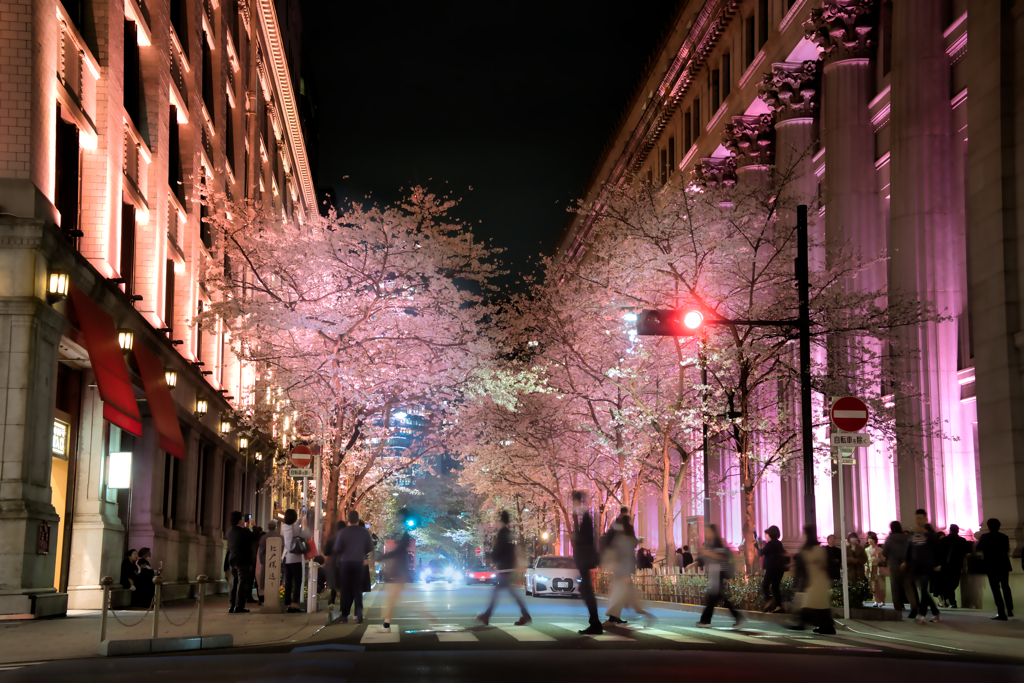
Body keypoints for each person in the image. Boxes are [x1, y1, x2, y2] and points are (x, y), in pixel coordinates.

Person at [476, 510, 531, 626]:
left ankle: (487, 616)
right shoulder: (509, 533)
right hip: (509, 567)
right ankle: (525, 615)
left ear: (500, 520)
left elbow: (499, 549)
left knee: (500, 593)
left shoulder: (503, 533)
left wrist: (492, 557)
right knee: (509, 593)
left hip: (505, 568)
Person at [604, 513, 653, 626]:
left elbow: (623, 556)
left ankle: (612, 620)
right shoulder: (629, 538)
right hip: (625, 571)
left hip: (623, 572)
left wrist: (622, 573)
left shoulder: (622, 540)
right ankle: (614, 618)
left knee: (619, 596)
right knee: (625, 597)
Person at [786, 525, 835, 634]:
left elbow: (824, 564)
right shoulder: (810, 548)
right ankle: (825, 625)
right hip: (814, 579)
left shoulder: (814, 548)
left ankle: (803, 623)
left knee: (812, 603)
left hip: (819, 579)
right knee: (818, 604)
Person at [696, 524, 743, 628]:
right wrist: (693, 564)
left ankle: (705, 621)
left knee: (713, 598)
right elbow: (704, 558)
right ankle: (737, 617)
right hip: (714, 573)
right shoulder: (709, 544)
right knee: (718, 598)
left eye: (707, 531)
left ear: (713, 532)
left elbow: (722, 557)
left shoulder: (717, 543)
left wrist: (708, 553)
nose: (706, 534)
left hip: (719, 572)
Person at [377, 508, 414, 633]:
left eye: (398, 516)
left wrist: (382, 556)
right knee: (391, 600)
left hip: (399, 573)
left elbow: (398, 552)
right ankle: (386, 624)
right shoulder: (403, 532)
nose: (396, 518)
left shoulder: (405, 533)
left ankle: (430, 618)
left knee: (393, 600)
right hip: (398, 573)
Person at [333, 509, 373, 624]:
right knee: (357, 588)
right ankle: (359, 613)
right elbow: (369, 548)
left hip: (345, 563)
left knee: (345, 589)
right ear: (358, 519)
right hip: (358, 563)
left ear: (348, 520)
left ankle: (344, 616)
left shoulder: (343, 532)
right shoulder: (364, 532)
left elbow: (337, 548)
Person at [571, 490, 602, 635]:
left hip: (585, 559)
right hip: (584, 559)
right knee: (585, 590)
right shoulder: (586, 518)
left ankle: (595, 623)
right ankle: (594, 622)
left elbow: (587, 539)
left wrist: (575, 538)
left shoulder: (586, 519)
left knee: (587, 591)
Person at [906, 509, 940, 623]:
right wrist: (906, 560)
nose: (918, 520)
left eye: (921, 518)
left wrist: (926, 532)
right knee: (923, 590)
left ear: (925, 519)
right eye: (917, 518)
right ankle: (935, 613)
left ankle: (921, 615)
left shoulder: (929, 531)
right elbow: (910, 547)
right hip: (916, 565)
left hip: (927, 564)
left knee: (924, 589)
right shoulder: (914, 532)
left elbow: (937, 544)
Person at [975, 518, 1013, 620]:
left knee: (995, 589)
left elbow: (977, 548)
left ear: (988, 527)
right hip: (1004, 564)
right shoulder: (1004, 537)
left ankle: (1001, 612)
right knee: (1005, 586)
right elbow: (1007, 549)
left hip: (991, 566)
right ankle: (1010, 608)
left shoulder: (985, 537)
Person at [226, 510, 255, 613]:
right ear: (239, 520)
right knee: (242, 584)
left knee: (234, 584)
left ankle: (231, 605)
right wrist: (253, 527)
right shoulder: (244, 531)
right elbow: (254, 537)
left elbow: (242, 539)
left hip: (232, 560)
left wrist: (246, 528)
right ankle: (239, 606)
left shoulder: (229, 531)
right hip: (243, 561)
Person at [882, 521, 913, 615]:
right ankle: (914, 605)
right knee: (908, 588)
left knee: (895, 589)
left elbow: (884, 553)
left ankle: (898, 610)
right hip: (906, 565)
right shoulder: (907, 537)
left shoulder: (890, 539)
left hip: (894, 567)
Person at [281, 508, 308, 613]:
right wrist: (303, 518)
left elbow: (295, 525)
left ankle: (287, 603)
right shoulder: (296, 529)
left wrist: (301, 518)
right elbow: (304, 533)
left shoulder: (285, 527)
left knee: (288, 581)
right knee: (298, 581)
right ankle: (295, 605)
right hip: (295, 558)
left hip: (286, 558)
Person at [938, 524, 970, 609]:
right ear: (958, 531)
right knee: (954, 583)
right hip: (957, 565)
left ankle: (949, 600)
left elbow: (938, 551)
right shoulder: (962, 540)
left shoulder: (944, 540)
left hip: (945, 565)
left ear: (950, 530)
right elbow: (968, 550)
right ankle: (951, 601)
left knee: (947, 583)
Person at [759, 526, 787, 613]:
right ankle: (779, 607)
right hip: (779, 569)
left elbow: (761, 552)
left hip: (772, 569)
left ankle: (768, 601)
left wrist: (758, 546)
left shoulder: (771, 543)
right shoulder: (778, 543)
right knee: (775, 587)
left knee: (765, 585)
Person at [256, 520, 280, 606]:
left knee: (266, 581)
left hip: (267, 562)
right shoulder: (279, 537)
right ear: (276, 527)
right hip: (277, 562)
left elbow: (261, 551)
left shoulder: (264, 537)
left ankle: (264, 599)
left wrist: (263, 562)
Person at [864, 532, 887, 607]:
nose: (870, 540)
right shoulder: (866, 550)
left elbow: (883, 560)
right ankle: (875, 600)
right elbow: (865, 560)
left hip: (878, 568)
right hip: (871, 568)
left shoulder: (880, 549)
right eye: (869, 539)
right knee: (873, 585)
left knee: (880, 585)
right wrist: (866, 566)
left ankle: (882, 600)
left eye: (871, 539)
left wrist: (877, 559)